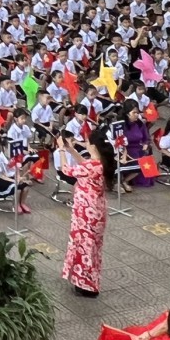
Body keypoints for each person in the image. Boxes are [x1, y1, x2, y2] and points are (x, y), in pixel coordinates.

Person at [60, 127, 113, 298]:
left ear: (94, 147)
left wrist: (61, 150)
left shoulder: (92, 166)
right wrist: (72, 150)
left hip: (85, 212)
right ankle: (91, 281)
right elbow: (84, 163)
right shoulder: (101, 163)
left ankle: (85, 284)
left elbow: (66, 170)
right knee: (93, 247)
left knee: (83, 246)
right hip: (97, 210)